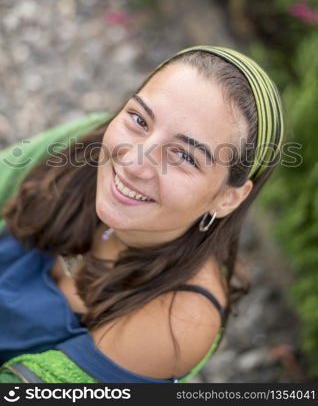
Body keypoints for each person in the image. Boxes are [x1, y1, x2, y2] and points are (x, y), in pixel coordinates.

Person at [0, 46, 284, 383]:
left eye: (184, 156)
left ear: (227, 198)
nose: (134, 162)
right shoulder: (89, 139)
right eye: (139, 119)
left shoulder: (177, 323)